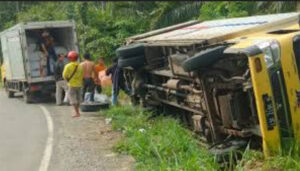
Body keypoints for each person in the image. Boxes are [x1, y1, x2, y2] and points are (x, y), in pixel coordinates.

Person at [63, 51, 83, 118]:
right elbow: (81, 75)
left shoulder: (68, 66)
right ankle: (78, 112)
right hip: (79, 85)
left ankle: (77, 113)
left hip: (71, 85)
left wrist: (68, 80)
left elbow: (64, 75)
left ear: (70, 58)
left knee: (73, 99)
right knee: (78, 98)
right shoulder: (80, 66)